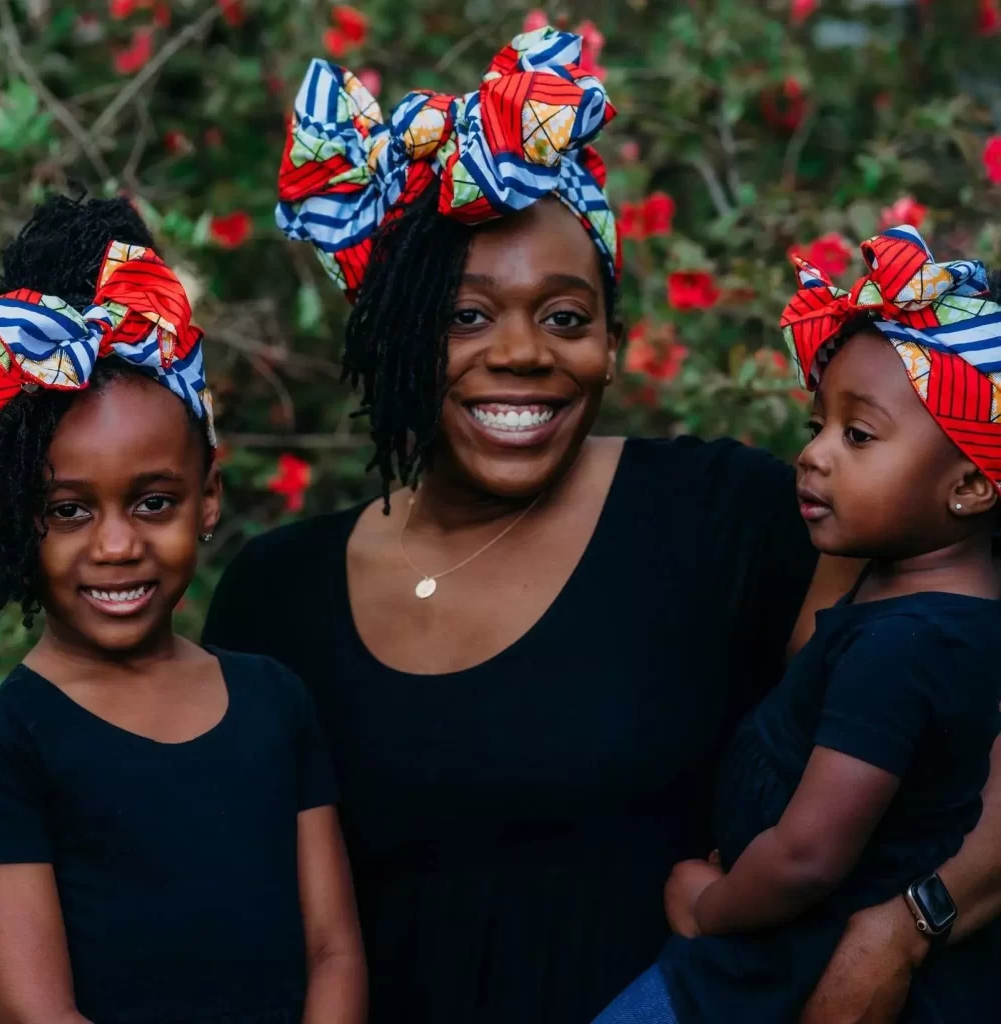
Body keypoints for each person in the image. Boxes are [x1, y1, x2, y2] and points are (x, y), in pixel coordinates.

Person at [203, 25, 1001, 1024]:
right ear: (391, 334)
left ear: (615, 344)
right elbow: (232, 910)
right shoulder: (278, 595)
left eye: (567, 317)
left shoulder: (726, 517)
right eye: (464, 316)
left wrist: (912, 919)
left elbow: (968, 695)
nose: (523, 353)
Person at [592, 227, 1001, 1023]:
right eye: (817, 425)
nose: (812, 456)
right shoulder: (940, 612)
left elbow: (813, 855)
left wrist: (710, 903)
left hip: (761, 977)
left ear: (971, 488)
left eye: (858, 436)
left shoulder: (901, 646)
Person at [0, 195, 366, 1024]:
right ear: (10, 519)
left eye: (153, 503)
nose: (117, 545)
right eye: (68, 510)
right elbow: (36, 1014)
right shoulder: (3, 745)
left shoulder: (274, 701)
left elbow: (333, 952)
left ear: (209, 498)